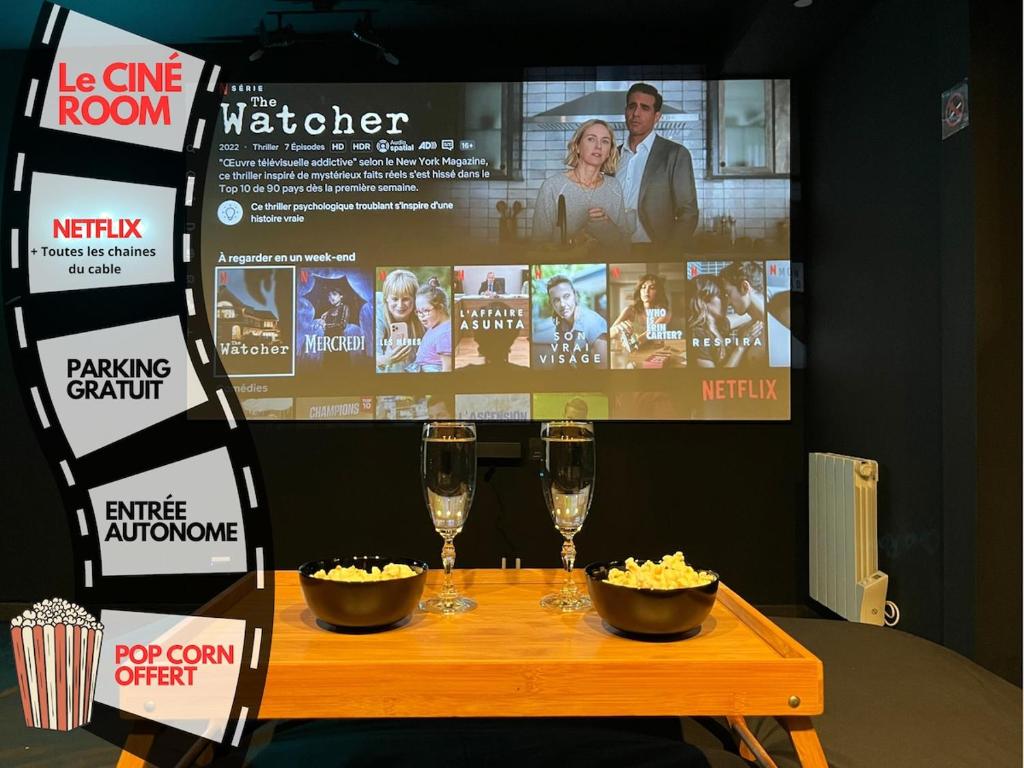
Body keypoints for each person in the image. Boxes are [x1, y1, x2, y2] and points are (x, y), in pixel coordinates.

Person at [618, 83, 699, 253]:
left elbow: (688, 213)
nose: (636, 113)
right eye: (632, 106)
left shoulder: (675, 154)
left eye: (645, 108)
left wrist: (669, 253)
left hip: (655, 251)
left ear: (656, 116)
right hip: (614, 250)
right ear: (625, 111)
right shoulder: (612, 155)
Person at [531, 119, 629, 249]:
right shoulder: (552, 186)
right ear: (577, 146)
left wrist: (607, 227)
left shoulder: (614, 187)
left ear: (609, 152)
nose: (598, 146)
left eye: (605, 141)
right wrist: (574, 241)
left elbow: (624, 247)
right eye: (591, 139)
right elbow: (538, 245)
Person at [686, 274, 761, 368]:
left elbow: (746, 316)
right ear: (704, 300)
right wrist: (741, 346)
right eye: (720, 296)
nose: (727, 302)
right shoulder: (698, 334)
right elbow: (713, 377)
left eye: (726, 296)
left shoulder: (719, 325)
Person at [537, 274, 608, 361]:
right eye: (556, 300)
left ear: (575, 296)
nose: (562, 304)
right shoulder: (560, 323)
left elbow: (602, 367)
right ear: (551, 304)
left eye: (566, 296)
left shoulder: (593, 325)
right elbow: (564, 360)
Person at [718, 261, 767, 365]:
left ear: (744, 287)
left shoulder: (779, 323)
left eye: (728, 293)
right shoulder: (746, 330)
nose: (728, 302)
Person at [376, 269, 424, 373]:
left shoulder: (423, 315)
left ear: (415, 299)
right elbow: (372, 358)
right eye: (395, 299)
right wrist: (386, 360)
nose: (400, 305)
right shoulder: (378, 315)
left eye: (405, 299)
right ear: (386, 298)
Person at [609, 273, 671, 348]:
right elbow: (609, 334)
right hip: (632, 352)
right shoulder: (630, 310)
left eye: (652, 288)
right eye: (643, 287)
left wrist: (630, 342)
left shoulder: (664, 313)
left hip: (654, 351)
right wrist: (618, 329)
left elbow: (645, 337)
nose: (646, 291)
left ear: (658, 292)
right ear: (639, 291)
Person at [407, 284, 452, 372]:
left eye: (426, 311)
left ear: (440, 308)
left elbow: (447, 368)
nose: (421, 316)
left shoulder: (445, 333)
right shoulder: (434, 326)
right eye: (418, 312)